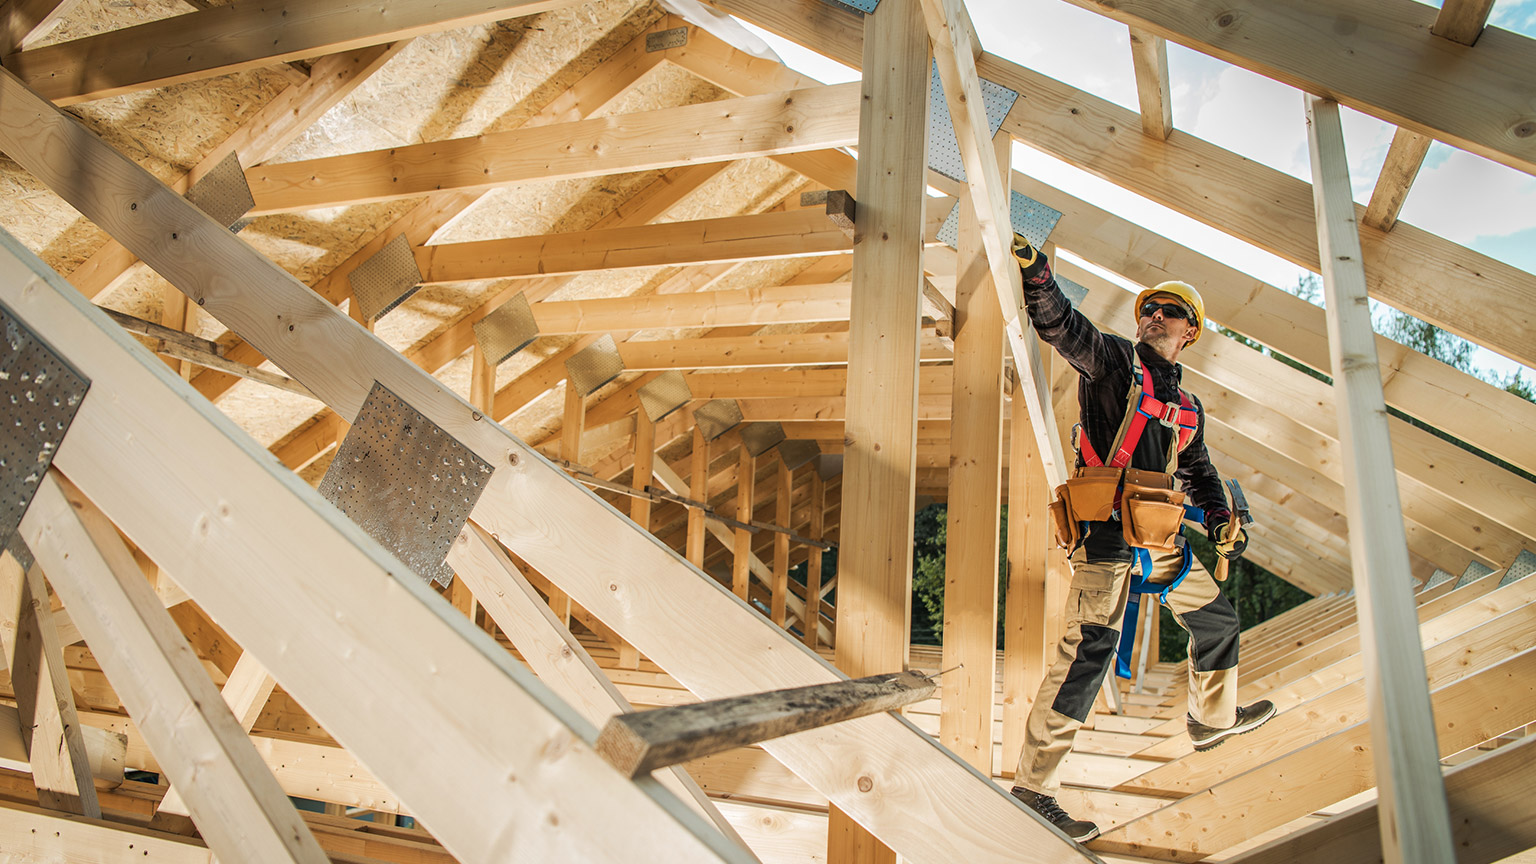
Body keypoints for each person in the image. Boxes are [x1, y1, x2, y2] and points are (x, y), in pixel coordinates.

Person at [1005, 236, 1274, 843]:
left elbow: (1199, 472)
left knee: (1217, 621)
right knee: (1088, 652)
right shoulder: (1113, 363)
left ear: (1190, 332)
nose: (1153, 315)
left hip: (1156, 537)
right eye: (1148, 308)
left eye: (1168, 311)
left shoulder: (1188, 407)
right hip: (1107, 535)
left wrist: (1221, 518)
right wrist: (1037, 274)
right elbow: (1061, 326)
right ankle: (1031, 790)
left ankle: (1212, 719)